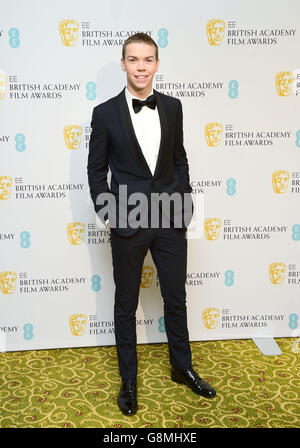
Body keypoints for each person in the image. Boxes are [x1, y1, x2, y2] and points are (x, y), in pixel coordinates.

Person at [87, 32, 216, 416]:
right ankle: (128, 381)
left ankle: (183, 367)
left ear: (156, 64)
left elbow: (180, 158)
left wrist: (186, 199)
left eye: (147, 60)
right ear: (123, 63)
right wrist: (108, 211)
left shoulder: (174, 107)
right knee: (125, 304)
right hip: (127, 219)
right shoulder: (105, 113)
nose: (140, 67)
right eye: (133, 59)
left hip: (170, 217)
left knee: (176, 298)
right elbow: (95, 171)